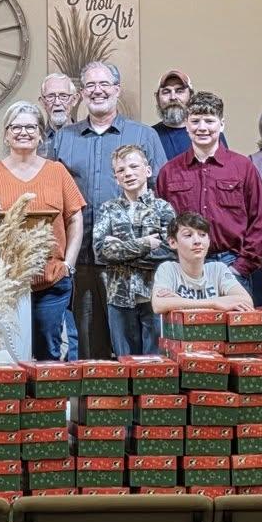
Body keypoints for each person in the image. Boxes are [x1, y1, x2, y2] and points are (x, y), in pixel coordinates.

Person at [43, 61, 165, 358]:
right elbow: (52, 197)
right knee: (88, 344)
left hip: (134, 263)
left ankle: (139, 402)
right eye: (90, 86)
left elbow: (162, 190)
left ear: (116, 90)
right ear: (81, 94)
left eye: (104, 84)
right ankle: (95, 402)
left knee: (135, 345)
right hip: (83, 259)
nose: (97, 91)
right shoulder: (63, 139)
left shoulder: (144, 136)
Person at [0, 100, 88, 362]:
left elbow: (75, 219)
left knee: (49, 353)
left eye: (31, 127)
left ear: (40, 134)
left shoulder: (57, 171)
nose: (23, 132)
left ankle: (50, 403)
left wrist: (68, 264)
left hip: (52, 281)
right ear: (6, 134)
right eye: (16, 127)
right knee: (8, 354)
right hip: (4, 284)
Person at [155, 91, 262, 300]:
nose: (202, 128)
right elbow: (161, 225)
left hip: (230, 267)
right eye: (195, 121)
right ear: (187, 125)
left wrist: (239, 268)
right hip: (184, 271)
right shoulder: (169, 172)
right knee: (187, 332)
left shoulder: (243, 168)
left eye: (209, 121)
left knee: (234, 332)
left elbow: (259, 222)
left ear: (221, 124)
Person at [92, 143, 175, 358]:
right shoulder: (108, 209)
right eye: (121, 170)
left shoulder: (163, 209)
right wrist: (145, 243)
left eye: (133, 166)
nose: (128, 173)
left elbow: (168, 252)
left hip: (154, 297)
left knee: (153, 364)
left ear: (147, 170)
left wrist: (121, 250)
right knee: (124, 363)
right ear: (116, 178)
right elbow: (101, 252)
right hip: (119, 298)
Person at [151, 212, 253, 314]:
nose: (197, 241)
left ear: (208, 240)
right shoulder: (168, 269)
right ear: (173, 242)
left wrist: (180, 303)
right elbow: (158, 304)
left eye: (202, 235)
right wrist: (214, 303)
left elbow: (246, 301)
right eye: (188, 235)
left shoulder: (218, 269)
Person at [151, 69, 195, 160]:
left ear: (191, 96)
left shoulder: (208, 134)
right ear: (157, 99)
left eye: (179, 91)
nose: (173, 97)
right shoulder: (149, 136)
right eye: (166, 92)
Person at [37, 73, 79, 141]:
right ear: (42, 102)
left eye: (63, 96)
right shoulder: (37, 141)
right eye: (50, 96)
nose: (57, 102)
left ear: (74, 100)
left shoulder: (86, 139)